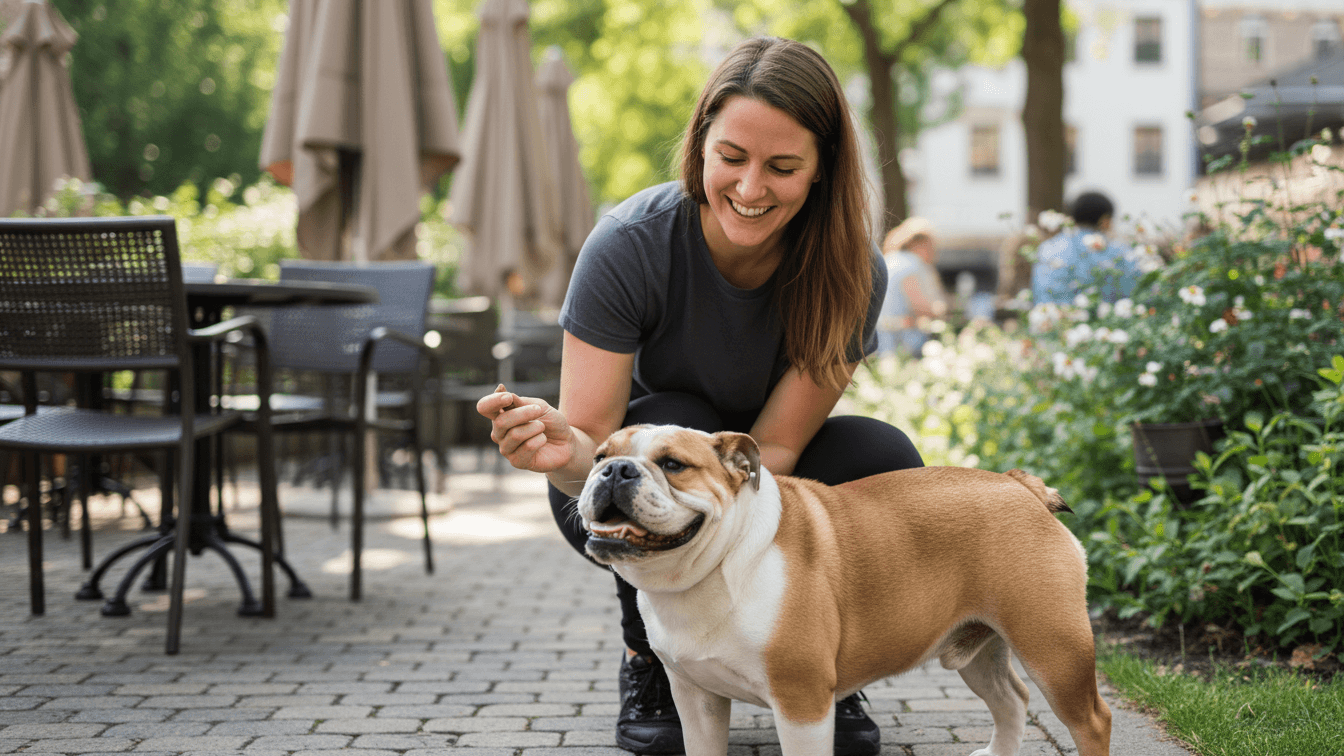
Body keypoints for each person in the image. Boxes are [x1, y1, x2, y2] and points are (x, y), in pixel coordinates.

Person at [477, 37, 923, 756]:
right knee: (672, 418)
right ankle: (649, 657)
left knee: (886, 457)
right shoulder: (628, 244)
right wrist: (563, 456)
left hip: (759, 468)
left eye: (782, 167)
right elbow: (591, 442)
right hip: (639, 473)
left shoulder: (851, 271)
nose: (750, 189)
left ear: (821, 172)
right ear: (701, 147)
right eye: (731, 158)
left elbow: (777, 445)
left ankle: (822, 654)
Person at [1031, 191, 1141, 305]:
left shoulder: (1047, 248)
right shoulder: (1119, 252)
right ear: (1106, 221)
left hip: (1051, 318)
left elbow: (1040, 293)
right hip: (1102, 320)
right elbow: (1132, 293)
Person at [877, 217, 947, 356]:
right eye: (931, 247)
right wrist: (940, 308)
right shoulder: (910, 264)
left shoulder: (889, 260)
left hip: (881, 339)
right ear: (920, 244)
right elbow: (919, 305)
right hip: (901, 343)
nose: (933, 253)